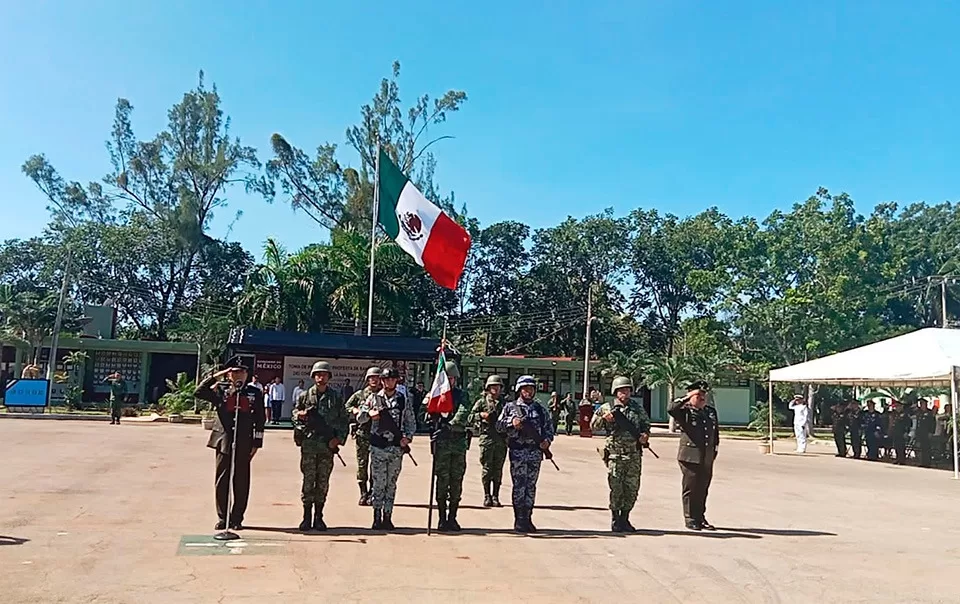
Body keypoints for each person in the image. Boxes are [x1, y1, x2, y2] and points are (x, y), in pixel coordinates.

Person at [194, 356, 265, 531]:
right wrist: (218, 376)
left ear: (247, 374)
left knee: (241, 481)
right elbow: (199, 391)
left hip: (244, 440)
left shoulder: (254, 393)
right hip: (223, 440)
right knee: (222, 479)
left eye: (242, 372)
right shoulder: (220, 391)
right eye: (234, 372)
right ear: (229, 374)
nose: (239, 375)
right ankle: (223, 517)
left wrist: (257, 443)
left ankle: (237, 518)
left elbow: (260, 419)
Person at [356, 367, 415, 530]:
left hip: (396, 448)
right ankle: (376, 516)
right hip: (378, 447)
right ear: (382, 381)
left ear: (397, 381)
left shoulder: (403, 399)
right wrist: (369, 414)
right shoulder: (373, 398)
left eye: (392, 379)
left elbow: (410, 421)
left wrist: (407, 438)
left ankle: (388, 516)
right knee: (378, 484)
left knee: (391, 484)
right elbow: (359, 417)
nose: (389, 382)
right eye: (386, 379)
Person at [293, 361, 348, 531]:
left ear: (329, 377)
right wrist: (301, 418)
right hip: (309, 445)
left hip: (326, 447)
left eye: (324, 374)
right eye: (318, 374)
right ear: (313, 376)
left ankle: (319, 516)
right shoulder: (305, 396)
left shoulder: (336, 397)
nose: (321, 377)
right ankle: (306, 516)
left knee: (322, 482)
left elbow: (343, 420)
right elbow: (294, 416)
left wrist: (338, 439)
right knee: (308, 481)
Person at [592, 376, 650, 533]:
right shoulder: (607, 407)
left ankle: (625, 517)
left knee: (632, 489)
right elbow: (593, 427)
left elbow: (646, 424)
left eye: (628, 390)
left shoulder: (636, 408)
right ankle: (616, 518)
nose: (626, 393)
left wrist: (645, 435)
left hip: (633, 455)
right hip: (615, 455)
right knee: (616, 488)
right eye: (622, 390)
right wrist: (604, 419)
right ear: (615, 392)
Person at [497, 375, 554, 533]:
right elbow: (499, 426)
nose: (528, 392)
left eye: (531, 389)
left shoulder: (540, 410)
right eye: (525, 389)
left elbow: (549, 429)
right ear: (519, 390)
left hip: (535, 453)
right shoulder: (510, 407)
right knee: (519, 486)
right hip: (518, 452)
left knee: (531, 487)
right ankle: (519, 519)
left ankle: (528, 517)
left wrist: (547, 442)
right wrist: (512, 423)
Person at [668, 380, 719, 531]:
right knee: (691, 488)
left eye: (704, 395)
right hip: (690, 456)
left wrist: (714, 451)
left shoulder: (710, 411)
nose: (702, 398)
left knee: (703, 488)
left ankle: (700, 517)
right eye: (699, 395)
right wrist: (687, 397)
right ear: (691, 396)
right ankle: (690, 518)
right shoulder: (685, 411)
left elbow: (714, 434)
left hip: (706, 457)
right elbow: (671, 409)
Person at [426, 361, 471, 532]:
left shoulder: (461, 395)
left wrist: (450, 425)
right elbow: (425, 415)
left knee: (456, 481)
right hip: (442, 444)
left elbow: (463, 412)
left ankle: (453, 517)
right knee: (442, 481)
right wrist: (432, 417)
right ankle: (441, 518)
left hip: (458, 442)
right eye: (446, 378)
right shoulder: (435, 395)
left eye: (451, 378)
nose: (449, 381)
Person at [468, 374, 508, 507]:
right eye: (493, 387)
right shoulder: (481, 402)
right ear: (488, 388)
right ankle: (487, 495)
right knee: (487, 469)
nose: (496, 389)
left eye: (498, 387)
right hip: (487, 438)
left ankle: (496, 495)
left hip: (501, 439)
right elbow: (470, 416)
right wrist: (481, 415)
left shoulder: (505, 403)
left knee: (498, 469)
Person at [346, 367, 382, 506]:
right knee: (362, 464)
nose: (374, 380)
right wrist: (355, 410)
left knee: (376, 465)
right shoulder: (360, 394)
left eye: (377, 377)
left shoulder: (382, 395)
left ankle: (373, 492)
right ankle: (363, 493)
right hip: (362, 434)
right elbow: (347, 406)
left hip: (378, 434)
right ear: (367, 379)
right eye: (371, 377)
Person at [914, 399, 936, 467]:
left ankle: (927, 463)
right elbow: (918, 423)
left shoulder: (929, 413)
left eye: (922, 404)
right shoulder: (919, 412)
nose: (921, 405)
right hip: (920, 432)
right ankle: (922, 462)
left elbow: (933, 423)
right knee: (921, 448)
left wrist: (931, 432)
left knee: (926, 448)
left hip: (927, 432)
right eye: (920, 404)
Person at [888, 401, 910, 465]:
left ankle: (902, 460)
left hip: (902, 432)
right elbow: (893, 423)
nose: (897, 408)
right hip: (896, 432)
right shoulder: (894, 414)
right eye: (896, 407)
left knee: (901, 446)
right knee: (896, 446)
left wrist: (906, 432)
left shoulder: (905, 414)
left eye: (898, 406)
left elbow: (908, 424)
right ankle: (898, 458)